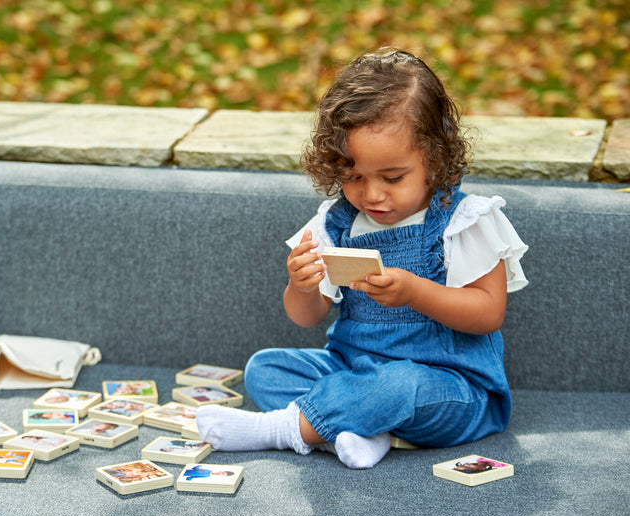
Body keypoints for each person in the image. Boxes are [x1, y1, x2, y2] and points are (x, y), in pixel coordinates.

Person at [197, 48, 528, 469]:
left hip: (448, 388)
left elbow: (488, 313)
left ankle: (282, 431)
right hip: (351, 369)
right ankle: (361, 433)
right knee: (265, 369)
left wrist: (415, 291)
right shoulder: (336, 224)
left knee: (397, 386)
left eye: (392, 178)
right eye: (352, 178)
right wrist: (300, 285)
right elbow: (306, 317)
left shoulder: (463, 220)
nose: (372, 195)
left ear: (434, 158)